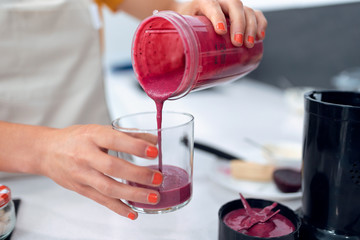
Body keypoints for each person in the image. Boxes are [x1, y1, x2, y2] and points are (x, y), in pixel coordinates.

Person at [0, 0, 267, 220]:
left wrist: (202, 15)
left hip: (106, 182)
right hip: (10, 196)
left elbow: (172, 9)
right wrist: (45, 150)